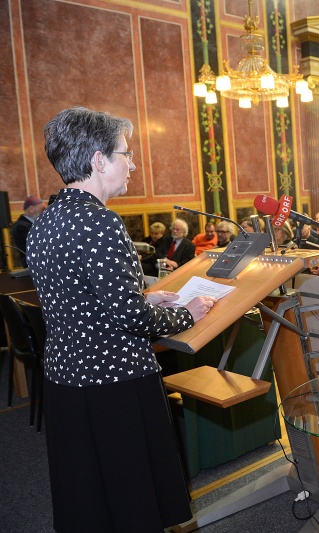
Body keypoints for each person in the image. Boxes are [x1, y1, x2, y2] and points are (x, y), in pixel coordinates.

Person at [28, 107, 217, 532]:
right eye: (125, 154)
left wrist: (149, 295)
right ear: (98, 160)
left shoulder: (45, 222)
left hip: (65, 378)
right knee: (133, 496)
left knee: (91, 497)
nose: (131, 164)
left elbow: (78, 298)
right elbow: (129, 317)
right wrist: (188, 312)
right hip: (115, 381)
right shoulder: (102, 223)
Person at [11, 195, 46, 267]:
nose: (45, 212)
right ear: (32, 209)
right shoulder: (22, 226)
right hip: (33, 266)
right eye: (42, 209)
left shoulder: (32, 224)